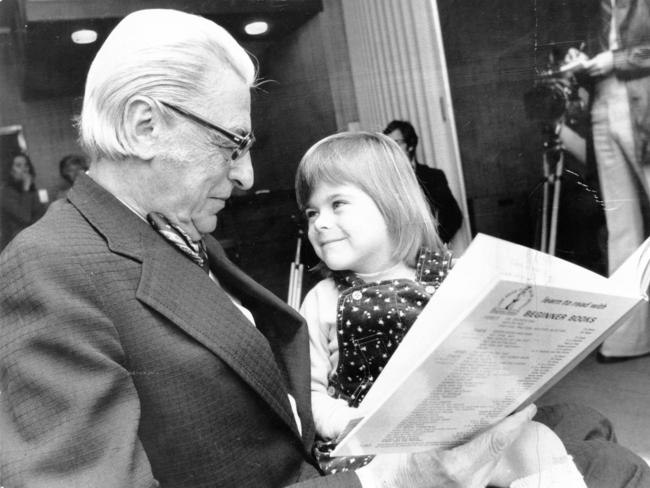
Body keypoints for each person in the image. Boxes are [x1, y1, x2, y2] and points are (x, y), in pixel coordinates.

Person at [1, 9, 648, 488]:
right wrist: (395, 475)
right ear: (146, 126)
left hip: (336, 456)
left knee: (583, 431)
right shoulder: (48, 270)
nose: (248, 175)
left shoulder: (175, 230)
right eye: (232, 144)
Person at [296, 131, 648, 487]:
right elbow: (309, 396)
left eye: (337, 204)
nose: (319, 223)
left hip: (459, 426)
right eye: (311, 212)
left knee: (538, 441)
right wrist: (350, 421)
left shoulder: (453, 273)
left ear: (392, 203)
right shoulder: (323, 299)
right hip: (378, 451)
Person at [562, 0, 650, 361]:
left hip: (644, 105)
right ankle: (628, 339)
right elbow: (601, 57)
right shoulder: (596, 7)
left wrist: (615, 61)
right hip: (605, 105)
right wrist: (579, 63)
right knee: (620, 228)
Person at [383, 119, 463, 243]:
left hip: (431, 252)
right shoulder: (383, 181)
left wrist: (434, 244)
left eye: (396, 143)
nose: (390, 149)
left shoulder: (434, 176)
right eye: (387, 145)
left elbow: (454, 216)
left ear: (410, 145)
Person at [0, 153, 47, 250]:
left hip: (39, 238)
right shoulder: (5, 193)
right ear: (10, 171)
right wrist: (26, 188)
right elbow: (24, 217)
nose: (24, 169)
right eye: (18, 165)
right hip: (18, 243)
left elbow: (42, 213)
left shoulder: (31, 189)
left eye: (26, 165)